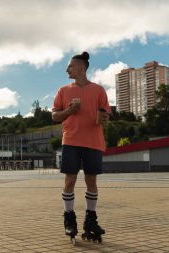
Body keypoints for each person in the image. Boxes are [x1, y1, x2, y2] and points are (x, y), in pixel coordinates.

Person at [52, 51, 110, 241]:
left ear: (81, 67)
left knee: (91, 182)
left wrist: (102, 117)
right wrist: (70, 110)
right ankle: (69, 219)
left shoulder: (99, 90)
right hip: (71, 141)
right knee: (70, 180)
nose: (67, 69)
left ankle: (90, 220)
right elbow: (54, 116)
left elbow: (106, 116)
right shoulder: (63, 91)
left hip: (93, 141)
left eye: (70, 66)